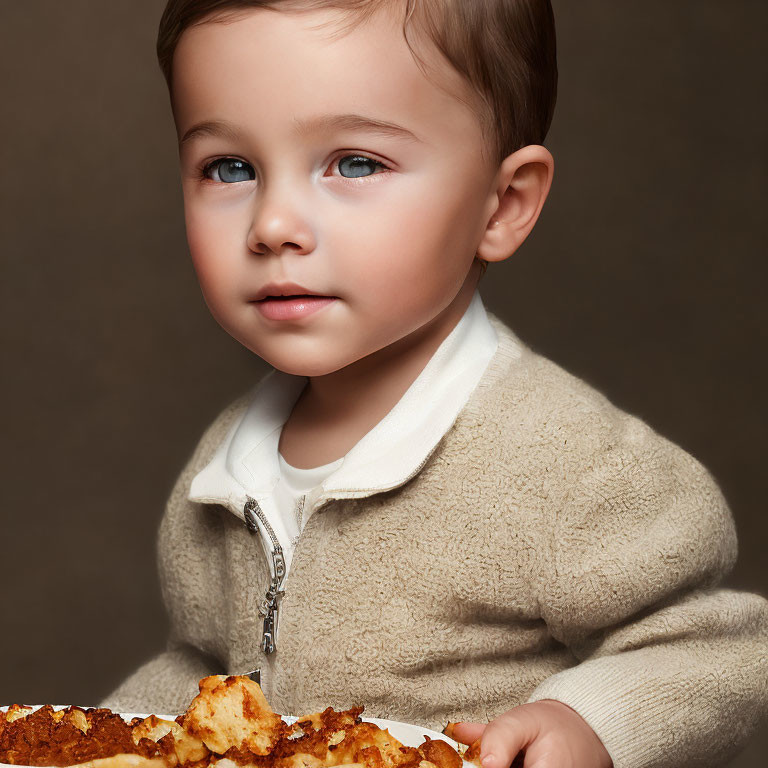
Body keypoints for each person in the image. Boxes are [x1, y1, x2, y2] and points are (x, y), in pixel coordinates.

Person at [101, 1, 768, 766]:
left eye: (354, 163)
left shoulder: (567, 463)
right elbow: (205, 673)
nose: (274, 223)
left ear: (503, 204)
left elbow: (718, 646)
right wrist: (99, 737)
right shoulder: (225, 466)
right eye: (231, 168)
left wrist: (592, 724)